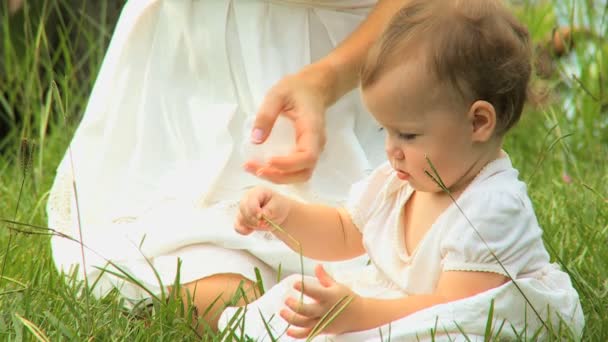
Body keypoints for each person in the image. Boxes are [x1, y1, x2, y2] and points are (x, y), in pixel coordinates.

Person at [227, 0, 584, 340]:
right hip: (405, 307)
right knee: (293, 301)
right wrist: (283, 214)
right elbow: (344, 231)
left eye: (408, 134)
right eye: (385, 130)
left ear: (477, 122)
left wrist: (360, 314)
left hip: (459, 321)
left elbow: (456, 314)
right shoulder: (400, 182)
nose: (390, 149)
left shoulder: (492, 207)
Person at [47, 0, 409, 331]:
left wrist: (325, 79)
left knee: (393, 277)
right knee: (228, 299)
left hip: (359, 66)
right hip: (192, 85)